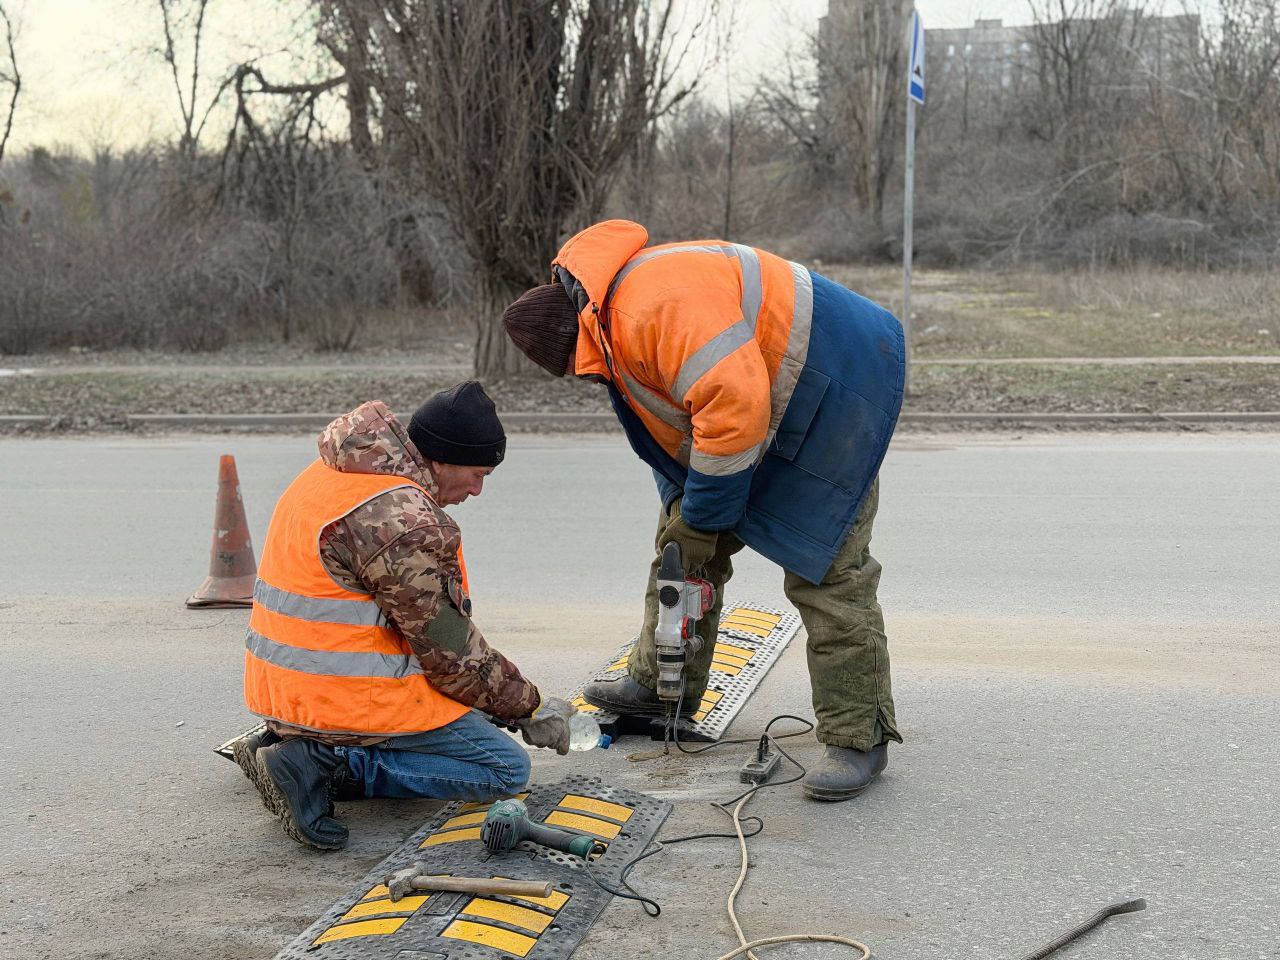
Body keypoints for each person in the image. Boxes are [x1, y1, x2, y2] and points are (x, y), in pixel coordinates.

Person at [502, 220, 904, 802]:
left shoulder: (644, 311)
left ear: (572, 343)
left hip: (833, 386)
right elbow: (680, 409)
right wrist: (682, 511)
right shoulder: (609, 315)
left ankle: (857, 734)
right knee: (678, 551)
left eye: (575, 371)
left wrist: (703, 518)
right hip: (766, 392)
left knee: (829, 571)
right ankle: (661, 688)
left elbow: (733, 407)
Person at [236, 384, 574, 849]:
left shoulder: (336, 471)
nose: (477, 490)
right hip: (346, 699)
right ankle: (322, 762)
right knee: (504, 770)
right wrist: (527, 708)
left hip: (287, 689)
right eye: (477, 473)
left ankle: (290, 742)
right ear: (441, 460)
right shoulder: (401, 520)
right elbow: (449, 653)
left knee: (471, 716)